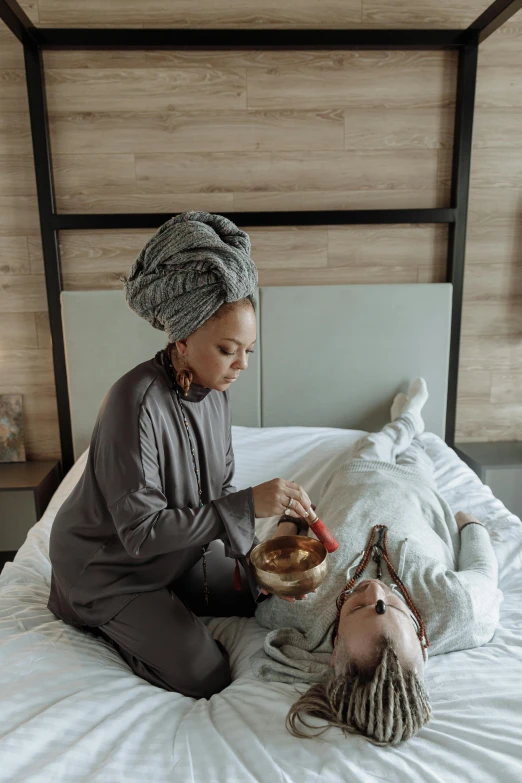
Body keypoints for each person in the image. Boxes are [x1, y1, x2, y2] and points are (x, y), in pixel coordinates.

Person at [47, 211, 312, 699]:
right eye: (229, 349)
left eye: (249, 350)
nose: (241, 366)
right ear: (183, 340)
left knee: (254, 594)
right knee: (206, 676)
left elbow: (217, 489)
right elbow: (142, 534)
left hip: (172, 556)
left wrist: (255, 547)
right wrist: (248, 506)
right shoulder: (134, 404)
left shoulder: (214, 389)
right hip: (108, 570)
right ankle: (82, 609)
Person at [252, 378, 502, 745]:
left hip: (356, 478)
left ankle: (402, 421)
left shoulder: (299, 613)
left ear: (335, 648)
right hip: (419, 491)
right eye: (394, 609)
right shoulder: (457, 610)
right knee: (417, 450)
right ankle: (411, 421)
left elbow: (269, 572)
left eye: (355, 611)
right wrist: (472, 526)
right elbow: (483, 573)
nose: (373, 591)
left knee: (374, 443)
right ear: (420, 640)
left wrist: (291, 523)